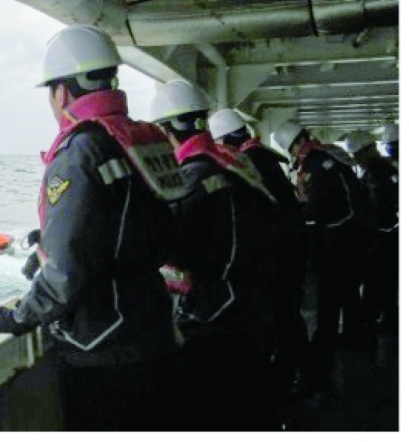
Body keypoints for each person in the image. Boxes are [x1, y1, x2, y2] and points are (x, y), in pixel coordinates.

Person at [0, 24, 186, 431]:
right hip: (154, 329)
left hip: (103, 347)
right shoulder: (143, 140)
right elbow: (140, 229)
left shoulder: (79, 151)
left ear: (62, 93)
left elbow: (68, 270)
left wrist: (18, 317)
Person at [150, 82, 280, 430]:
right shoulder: (234, 165)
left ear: (165, 130)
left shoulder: (192, 177)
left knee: (217, 409)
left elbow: (168, 246)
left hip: (217, 316)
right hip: (255, 305)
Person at [209, 108, 307, 396]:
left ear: (224, 141)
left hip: (277, 254)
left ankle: (287, 379)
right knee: (288, 313)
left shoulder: (248, 163)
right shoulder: (264, 158)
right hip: (290, 248)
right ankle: (300, 375)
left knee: (280, 316)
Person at [272, 121, 372, 400]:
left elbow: (316, 206)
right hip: (354, 235)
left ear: (293, 145)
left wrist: (303, 227)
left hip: (339, 239)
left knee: (328, 297)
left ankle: (321, 357)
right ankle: (352, 337)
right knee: (347, 291)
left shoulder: (314, 164)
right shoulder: (328, 156)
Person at [343, 130, 398, 335]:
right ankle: (390, 317)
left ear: (362, 153)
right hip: (391, 231)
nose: (356, 160)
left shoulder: (374, 173)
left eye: (356, 156)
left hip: (380, 235)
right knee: (389, 279)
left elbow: (375, 207)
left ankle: (370, 319)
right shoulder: (388, 166)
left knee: (375, 278)